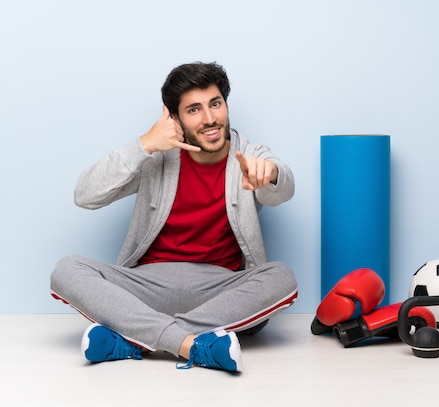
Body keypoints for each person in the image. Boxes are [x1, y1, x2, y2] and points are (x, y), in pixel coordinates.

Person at [50, 62, 298, 373]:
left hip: (219, 291)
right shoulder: (155, 158)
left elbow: (281, 187)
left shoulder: (249, 155)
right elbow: (85, 194)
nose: (209, 119)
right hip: (146, 288)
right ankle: (190, 344)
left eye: (215, 104)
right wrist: (143, 146)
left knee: (282, 276)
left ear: (226, 105)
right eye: (193, 110)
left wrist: (271, 173)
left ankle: (135, 339)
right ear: (173, 117)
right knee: (67, 269)